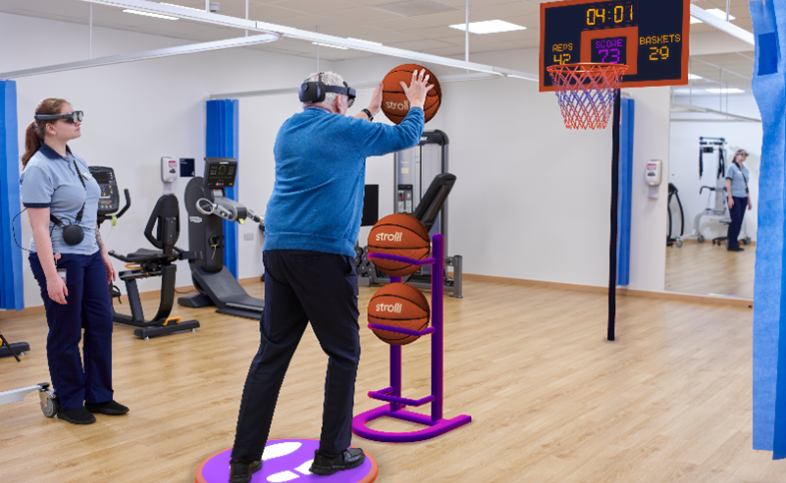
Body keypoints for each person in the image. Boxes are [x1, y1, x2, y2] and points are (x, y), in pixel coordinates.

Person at [228, 70, 432, 483]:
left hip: (279, 251)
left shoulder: (289, 130)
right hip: (321, 255)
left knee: (271, 354)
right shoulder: (345, 132)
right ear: (339, 100)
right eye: (349, 99)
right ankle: (332, 454)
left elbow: (349, 131)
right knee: (343, 354)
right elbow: (405, 137)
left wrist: (371, 109)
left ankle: (243, 460)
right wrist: (414, 104)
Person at [20, 98, 128, 425]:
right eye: (72, 117)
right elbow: (38, 225)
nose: (78, 121)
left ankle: (99, 395)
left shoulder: (76, 159)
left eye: (78, 116)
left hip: (90, 255)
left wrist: (103, 252)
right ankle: (69, 400)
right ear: (51, 126)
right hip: (58, 257)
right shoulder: (39, 167)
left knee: (100, 323)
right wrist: (52, 276)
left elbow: (90, 213)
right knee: (66, 330)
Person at [725, 149, 753, 252]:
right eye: (742, 154)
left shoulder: (746, 170)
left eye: (746, 154)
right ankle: (731, 243)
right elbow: (728, 183)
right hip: (734, 196)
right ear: (737, 155)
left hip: (743, 197)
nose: (744, 156)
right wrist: (730, 197)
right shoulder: (731, 167)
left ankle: (734, 242)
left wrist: (749, 200)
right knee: (735, 219)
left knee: (740, 220)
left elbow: (746, 186)